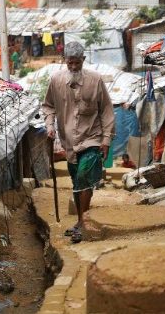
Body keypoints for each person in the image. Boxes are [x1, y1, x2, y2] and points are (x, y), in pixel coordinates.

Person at [42, 41, 115, 244]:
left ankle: (83, 223)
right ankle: (81, 219)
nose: (74, 67)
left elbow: (107, 111)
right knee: (78, 183)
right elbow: (48, 106)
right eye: (70, 63)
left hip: (92, 138)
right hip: (69, 142)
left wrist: (106, 140)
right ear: (65, 61)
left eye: (77, 63)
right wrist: (50, 126)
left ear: (83, 60)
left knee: (83, 177)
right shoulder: (56, 81)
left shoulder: (96, 80)